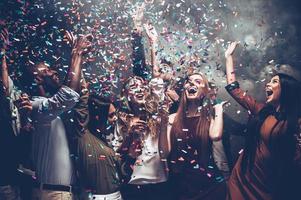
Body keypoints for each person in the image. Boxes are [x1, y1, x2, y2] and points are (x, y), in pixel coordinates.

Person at [224, 42, 301, 200]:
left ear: (287, 89)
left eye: (274, 82)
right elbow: (234, 89)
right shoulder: (261, 110)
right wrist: (228, 57)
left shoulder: (296, 122)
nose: (268, 83)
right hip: (243, 176)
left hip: (270, 181)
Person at [26, 32, 92, 200]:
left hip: (65, 192)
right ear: (37, 81)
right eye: (46, 71)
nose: (53, 71)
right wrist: (76, 53)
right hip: (51, 194)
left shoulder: (56, 111)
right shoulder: (35, 106)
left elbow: (73, 93)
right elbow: (67, 96)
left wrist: (75, 55)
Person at [162, 72, 227, 200]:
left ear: (204, 90)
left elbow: (215, 135)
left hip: (209, 185)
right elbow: (164, 152)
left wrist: (218, 109)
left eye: (198, 81)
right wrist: (164, 125)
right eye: (189, 81)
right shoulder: (172, 119)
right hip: (181, 186)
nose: (192, 83)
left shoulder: (210, 116)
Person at [115, 76, 170, 200]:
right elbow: (117, 154)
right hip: (133, 184)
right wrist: (130, 134)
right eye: (134, 87)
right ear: (126, 94)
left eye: (142, 87)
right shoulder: (122, 121)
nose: (139, 90)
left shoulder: (157, 116)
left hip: (159, 181)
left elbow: (164, 153)